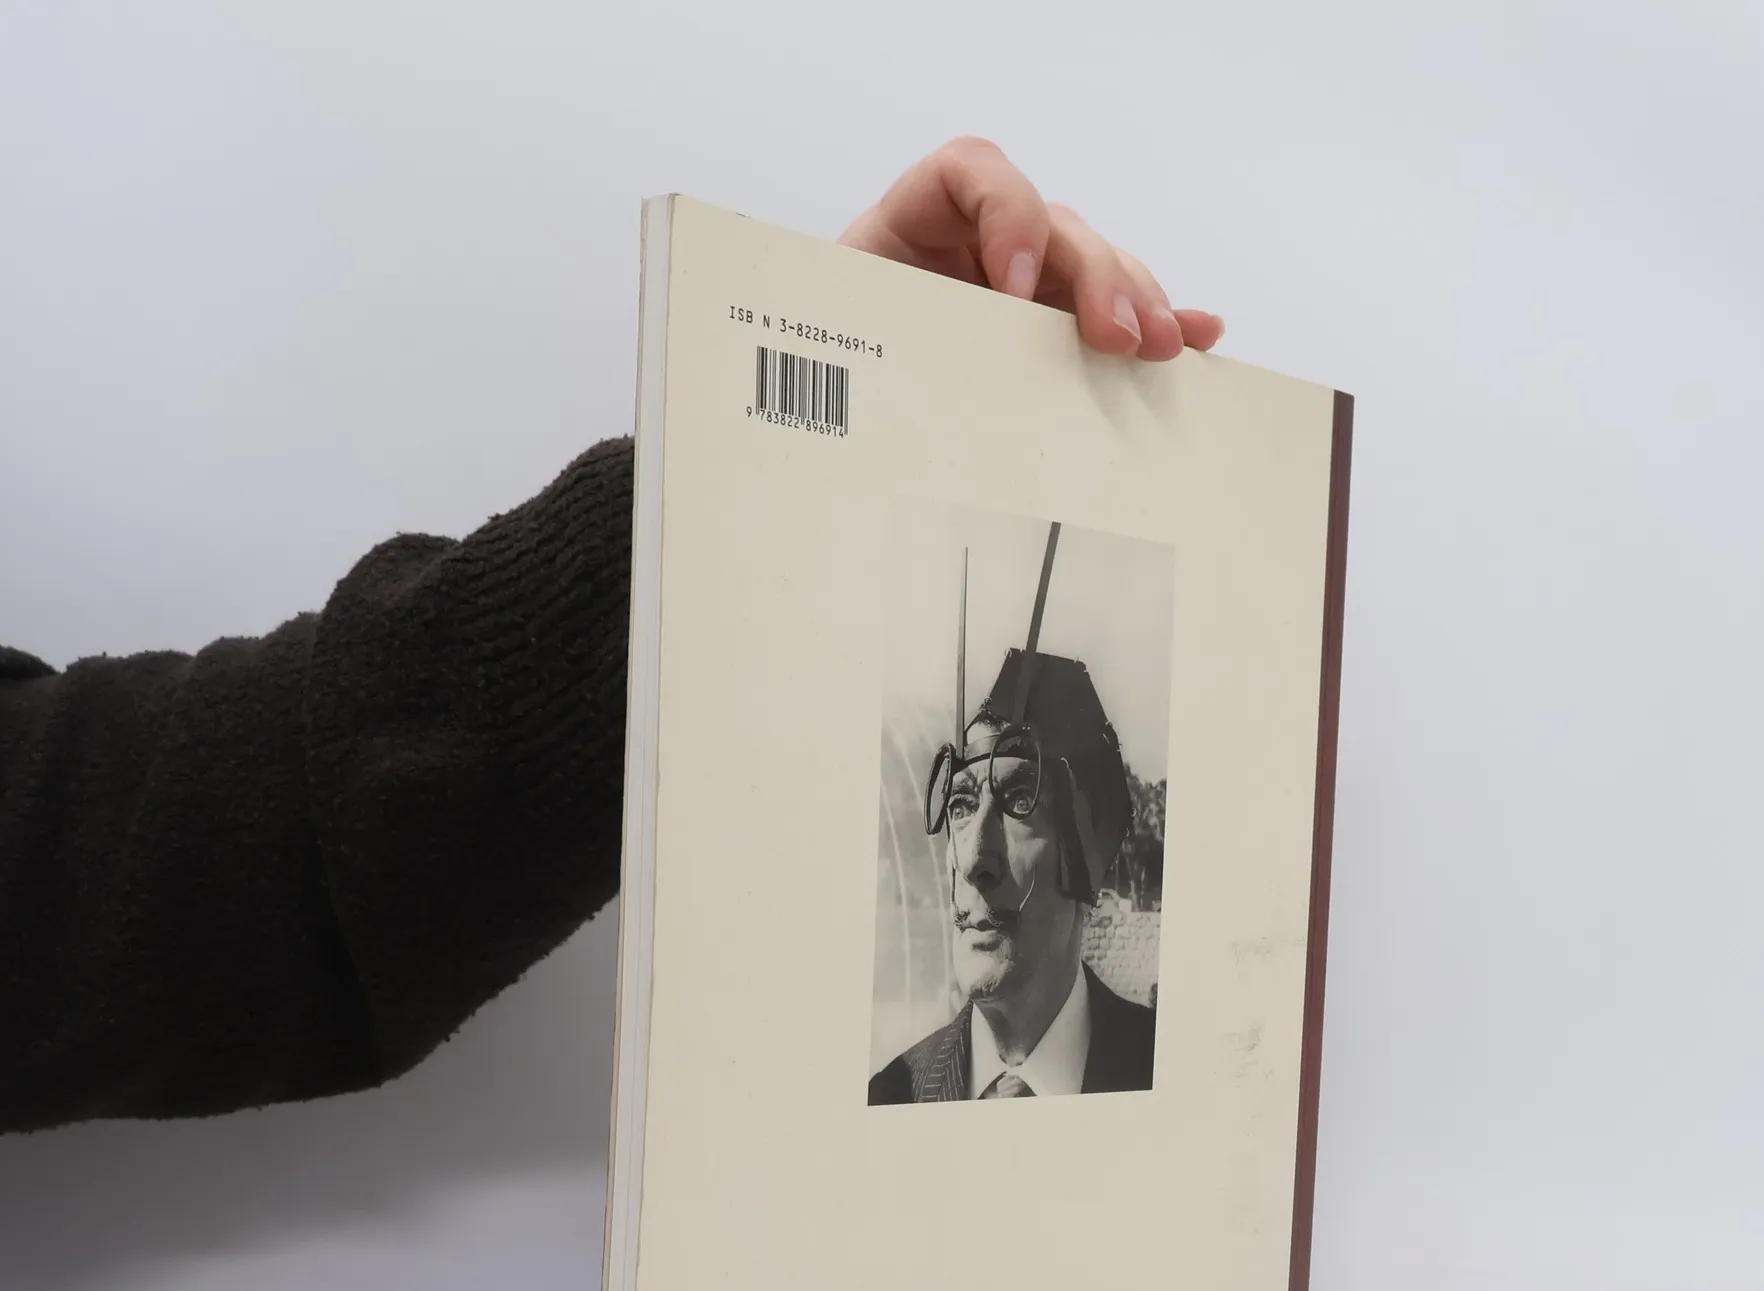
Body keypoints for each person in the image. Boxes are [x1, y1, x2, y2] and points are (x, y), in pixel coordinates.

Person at [0, 139, 1219, 1138]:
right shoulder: (898, 1085)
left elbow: (127, 857)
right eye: (958, 797)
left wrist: (767, 466)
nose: (972, 863)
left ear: (1098, 841)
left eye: (1019, 800)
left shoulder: (1184, 1072)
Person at [868, 643, 1154, 1104]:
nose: (974, 862)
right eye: (961, 806)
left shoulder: (1170, 1073)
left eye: (1021, 802)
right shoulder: (891, 1096)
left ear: (1086, 862)